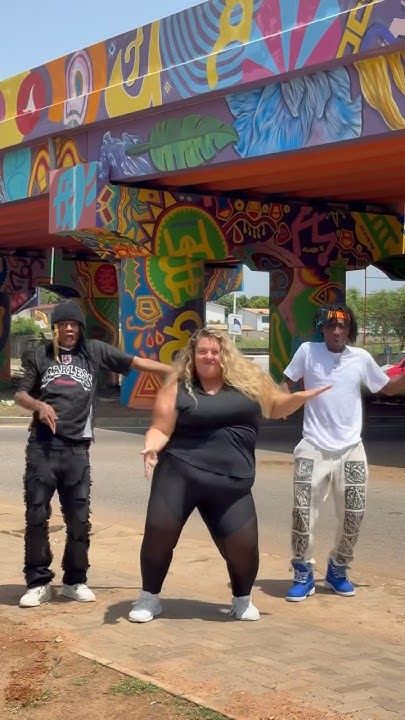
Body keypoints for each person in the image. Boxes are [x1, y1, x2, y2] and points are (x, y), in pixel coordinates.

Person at [128, 328, 329, 623]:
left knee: (244, 548)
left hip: (231, 484)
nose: (209, 356)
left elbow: (275, 406)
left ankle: (242, 600)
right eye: (202, 352)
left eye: (215, 351)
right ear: (192, 356)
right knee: (159, 533)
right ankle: (149, 598)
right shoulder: (178, 386)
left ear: (224, 355)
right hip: (179, 475)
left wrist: (299, 397)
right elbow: (161, 426)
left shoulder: (249, 382)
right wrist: (151, 446)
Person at [15, 299, 172, 608]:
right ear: (55, 329)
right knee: (36, 515)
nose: (69, 329)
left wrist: (174, 371)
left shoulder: (94, 351)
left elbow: (135, 362)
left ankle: (75, 580)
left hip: (77, 450)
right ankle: (38, 582)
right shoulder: (40, 354)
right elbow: (21, 394)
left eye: (73, 324)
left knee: (78, 519)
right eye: (62, 325)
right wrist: (39, 405)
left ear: (80, 328)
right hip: (42, 448)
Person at [283, 303, 405, 602]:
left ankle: (338, 567)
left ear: (350, 329)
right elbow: (287, 383)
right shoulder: (308, 352)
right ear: (321, 328)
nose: (336, 331)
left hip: (351, 448)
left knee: (354, 512)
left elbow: (387, 388)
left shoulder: (360, 358)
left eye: (342, 326)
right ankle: (302, 571)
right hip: (312, 445)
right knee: (302, 512)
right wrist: (279, 402)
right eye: (330, 326)